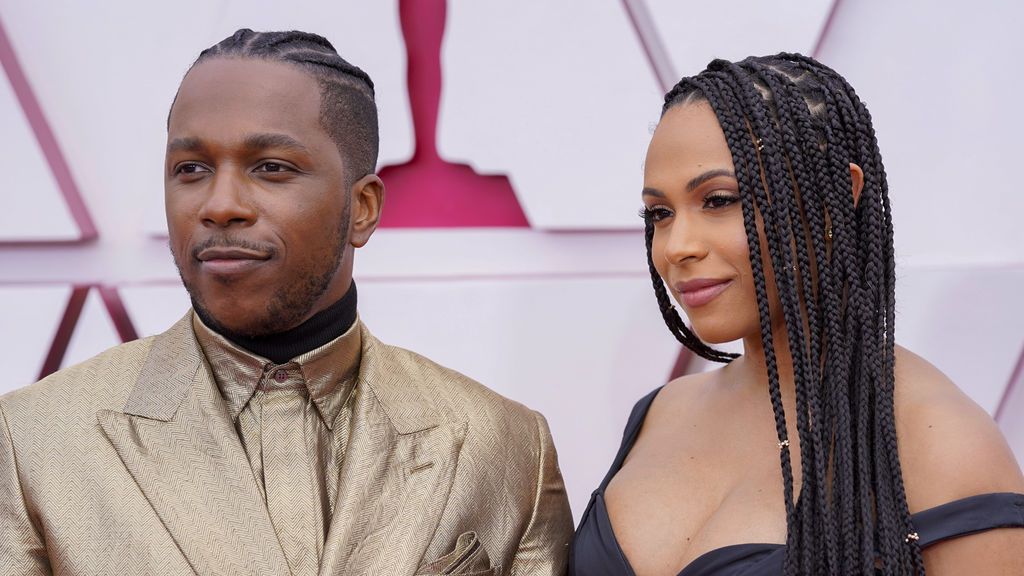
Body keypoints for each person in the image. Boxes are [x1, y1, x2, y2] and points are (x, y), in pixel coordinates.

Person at [0, 29, 572, 575]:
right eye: (191, 169)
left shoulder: (505, 446)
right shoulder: (33, 440)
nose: (220, 205)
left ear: (364, 208)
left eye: (271, 168)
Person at [571, 54, 1024, 575]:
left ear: (836, 199)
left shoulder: (937, 441)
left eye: (719, 200)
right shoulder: (659, 413)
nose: (677, 246)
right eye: (660, 213)